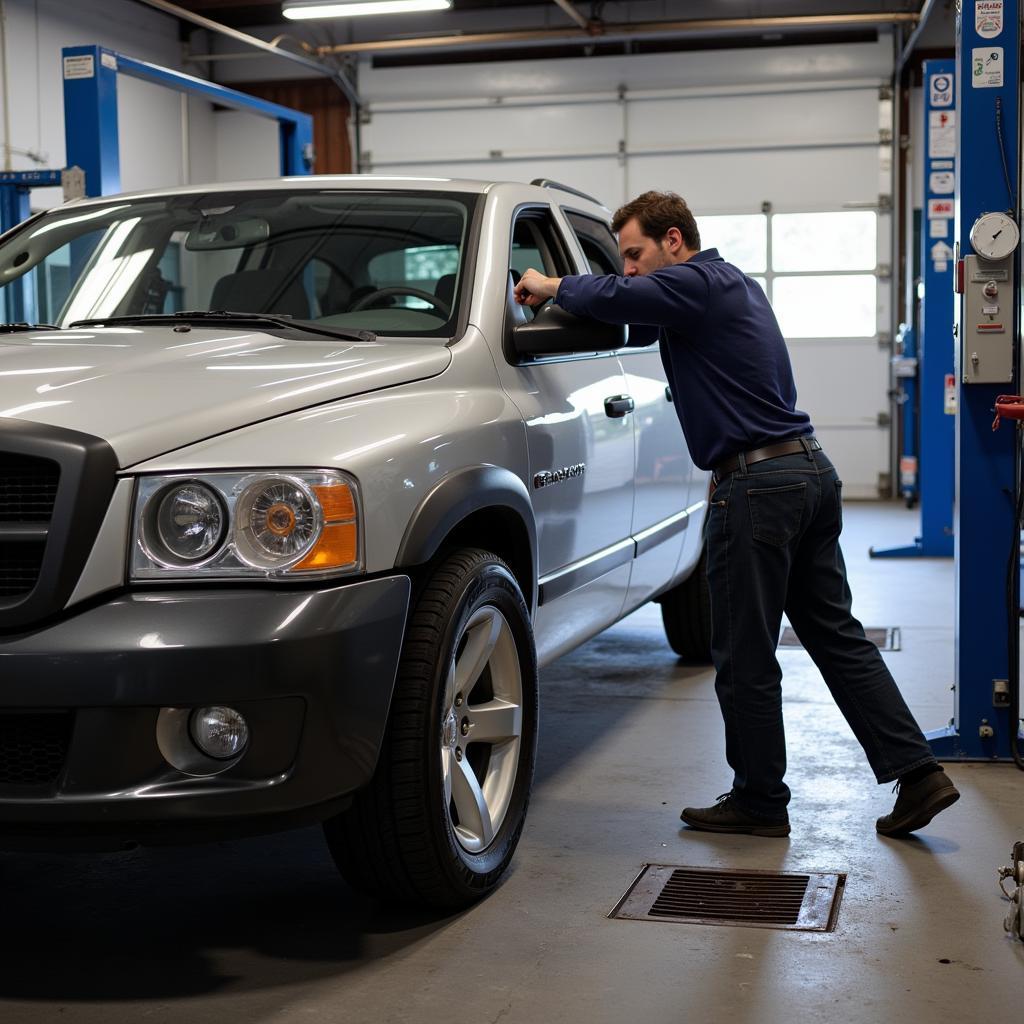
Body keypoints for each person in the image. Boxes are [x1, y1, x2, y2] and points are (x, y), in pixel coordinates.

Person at [513, 190, 959, 838]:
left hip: (756, 486)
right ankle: (920, 774)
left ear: (674, 240)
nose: (628, 269)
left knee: (745, 655)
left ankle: (759, 799)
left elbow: (618, 300)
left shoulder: (693, 282)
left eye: (634, 253)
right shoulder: (732, 287)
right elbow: (627, 316)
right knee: (837, 638)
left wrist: (551, 284)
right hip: (805, 471)